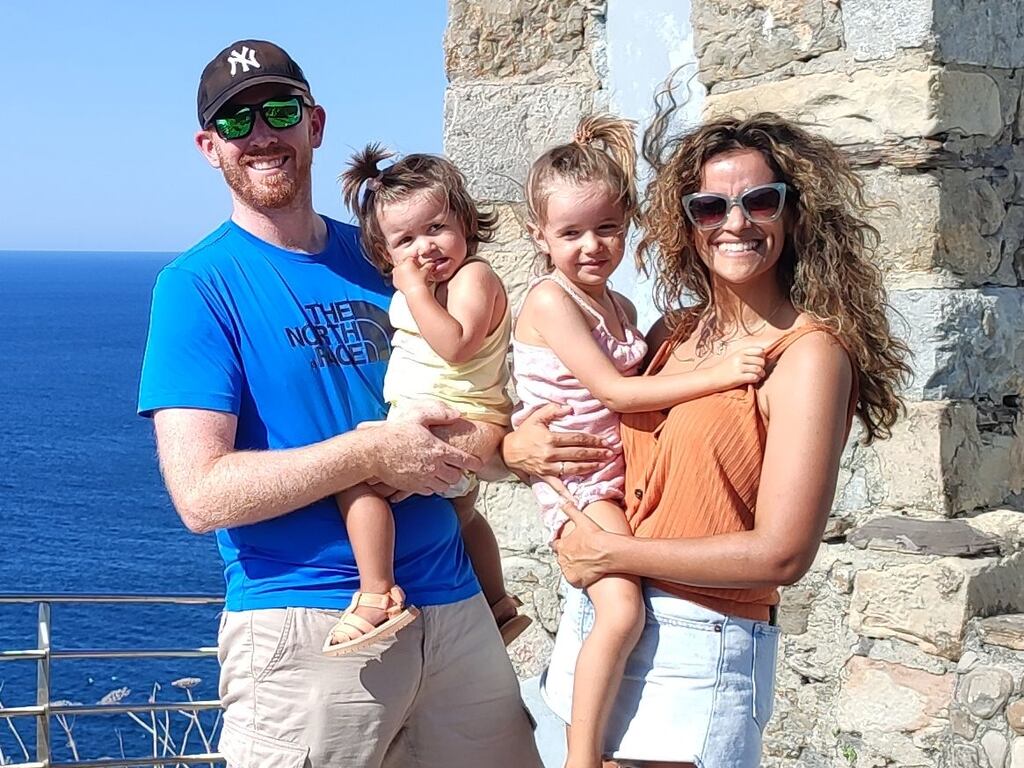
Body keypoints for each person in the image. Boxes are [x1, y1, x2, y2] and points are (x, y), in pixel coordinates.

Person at [137, 39, 542, 768]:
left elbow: (468, 383)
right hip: (309, 626)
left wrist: (509, 449)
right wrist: (368, 453)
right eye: (236, 122)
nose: (261, 134)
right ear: (209, 147)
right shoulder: (197, 288)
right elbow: (200, 495)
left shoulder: (393, 255)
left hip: (454, 610)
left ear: (314, 124)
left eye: (280, 110)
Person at [505, 107, 911, 768]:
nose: (737, 221)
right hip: (600, 620)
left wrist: (616, 555)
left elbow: (781, 557)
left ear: (794, 213)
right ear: (684, 222)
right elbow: (579, 416)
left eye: (760, 200)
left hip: (702, 644)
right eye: (710, 206)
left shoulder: (807, 356)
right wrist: (513, 450)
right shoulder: (667, 334)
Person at [511, 114, 768, 768]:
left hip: (609, 478)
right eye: (570, 233)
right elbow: (618, 393)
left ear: (626, 222)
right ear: (539, 235)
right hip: (580, 485)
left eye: (607, 228)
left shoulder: (618, 308)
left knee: (625, 605)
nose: (591, 246)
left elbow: (642, 361)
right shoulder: (549, 300)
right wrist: (716, 374)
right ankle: (581, 755)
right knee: (621, 612)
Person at [321, 146, 530, 654]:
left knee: (355, 478)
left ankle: (376, 594)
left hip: (453, 418)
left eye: (435, 228)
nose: (424, 248)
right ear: (384, 253)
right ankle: (498, 606)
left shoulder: (472, 277)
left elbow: (457, 345)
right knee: (461, 516)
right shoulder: (437, 286)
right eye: (405, 240)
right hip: (442, 417)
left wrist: (412, 292)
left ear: (463, 221)